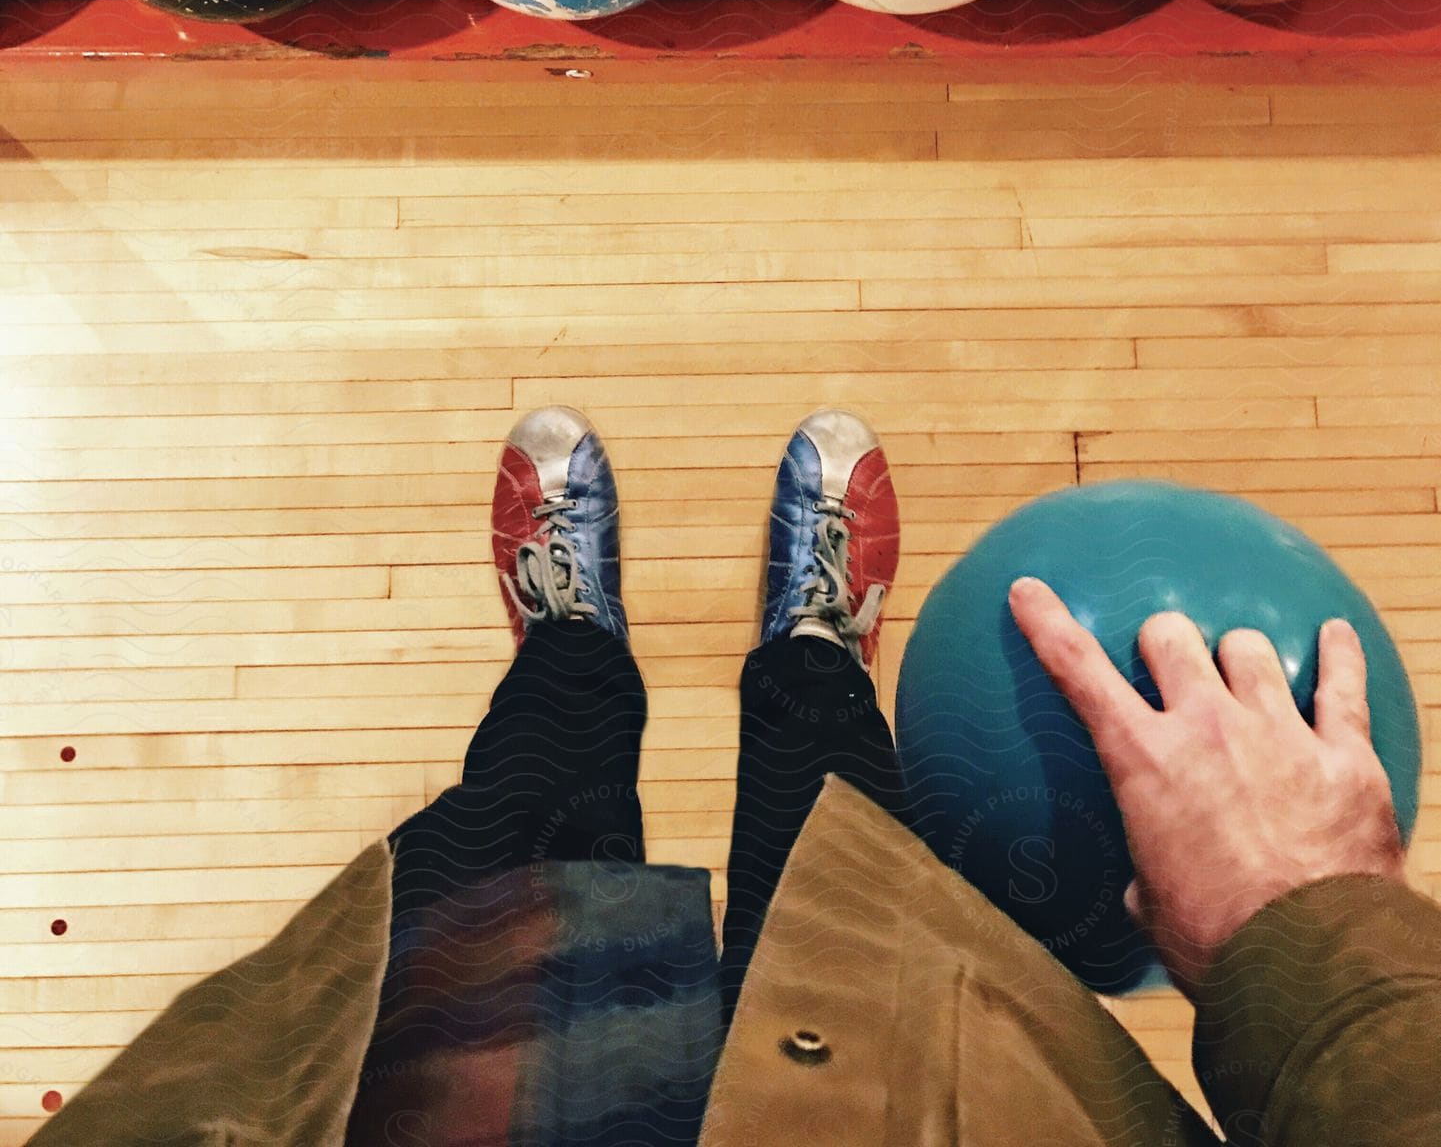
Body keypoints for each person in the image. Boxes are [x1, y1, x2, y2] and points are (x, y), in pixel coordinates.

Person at [29, 407, 1441, 1147]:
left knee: (518, 813)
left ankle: (573, 645)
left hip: (379, 1100)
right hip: (913, 1124)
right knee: (843, 862)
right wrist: (1303, 926)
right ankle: (813, 653)